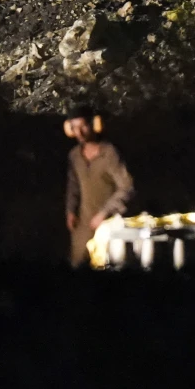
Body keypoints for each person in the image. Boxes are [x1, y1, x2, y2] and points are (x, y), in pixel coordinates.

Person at [63, 103, 134, 267]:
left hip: (110, 224)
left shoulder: (109, 153)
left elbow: (127, 187)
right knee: (77, 265)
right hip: (83, 224)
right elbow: (73, 187)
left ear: (94, 125)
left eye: (83, 126)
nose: (79, 132)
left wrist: (104, 213)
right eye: (74, 127)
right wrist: (70, 211)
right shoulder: (74, 156)